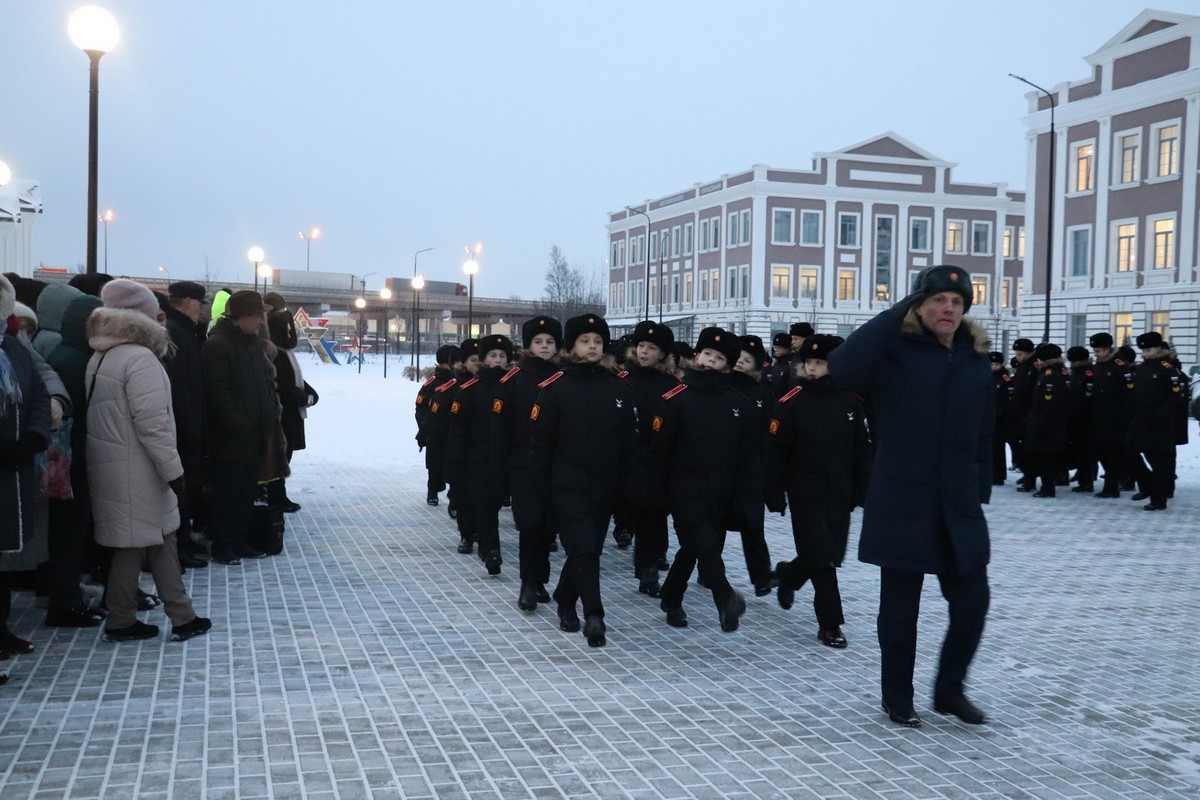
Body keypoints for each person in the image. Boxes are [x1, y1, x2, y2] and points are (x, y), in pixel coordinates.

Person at [828, 264, 992, 728]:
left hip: (957, 504)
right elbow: (842, 367)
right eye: (938, 299)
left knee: (973, 601)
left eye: (957, 302)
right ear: (919, 306)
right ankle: (897, 696)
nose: (949, 308)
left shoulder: (975, 359)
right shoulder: (893, 352)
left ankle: (949, 689)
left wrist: (979, 488)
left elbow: (985, 428)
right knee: (900, 612)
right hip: (902, 498)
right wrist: (898, 311)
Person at [85, 280, 210, 643]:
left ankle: (124, 618)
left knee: (134, 545)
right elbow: (154, 425)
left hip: (114, 466)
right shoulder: (141, 359)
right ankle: (180, 617)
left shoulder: (102, 354)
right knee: (160, 540)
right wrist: (175, 472)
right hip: (140, 470)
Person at [530, 314, 639, 647]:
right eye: (584, 341)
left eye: (597, 341)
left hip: (604, 485)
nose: (592, 347)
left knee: (588, 550)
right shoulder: (555, 387)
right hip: (567, 483)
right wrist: (539, 490)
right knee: (583, 548)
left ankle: (565, 598)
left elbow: (628, 443)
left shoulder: (619, 386)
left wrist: (629, 486)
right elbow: (540, 445)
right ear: (572, 346)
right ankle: (595, 614)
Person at [766, 334, 870, 648]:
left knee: (830, 555)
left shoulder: (851, 403)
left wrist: (861, 489)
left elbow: (862, 451)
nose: (813, 368)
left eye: (820, 363)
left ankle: (789, 575)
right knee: (823, 560)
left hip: (839, 492)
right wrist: (775, 492)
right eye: (809, 362)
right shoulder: (791, 402)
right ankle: (830, 624)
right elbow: (776, 453)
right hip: (805, 492)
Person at [652, 327, 756, 633]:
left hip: (721, 491)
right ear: (697, 356)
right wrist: (657, 494)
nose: (711, 361)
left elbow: (748, 456)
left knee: (696, 548)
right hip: (684, 489)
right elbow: (660, 452)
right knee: (706, 548)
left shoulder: (738, 403)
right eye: (707, 354)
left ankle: (671, 597)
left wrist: (748, 496)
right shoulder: (676, 398)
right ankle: (726, 600)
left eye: (719, 357)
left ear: (728, 364)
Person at [201, 291, 281, 565]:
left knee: (245, 493)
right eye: (257, 316)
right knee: (227, 494)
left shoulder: (251, 344)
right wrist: (240, 423)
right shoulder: (218, 345)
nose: (261, 321)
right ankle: (223, 545)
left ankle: (238, 540)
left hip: (253, 436)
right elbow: (218, 394)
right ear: (242, 317)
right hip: (231, 439)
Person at [0, 274, 52, 672]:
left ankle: (1, 629)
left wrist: (34, 435)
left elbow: (36, 392)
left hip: (14, 466)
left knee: (5, 553)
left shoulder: (13, 348)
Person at [617, 320, 678, 598]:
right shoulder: (622, 380)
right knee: (636, 511)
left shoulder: (671, 385)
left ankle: (648, 569)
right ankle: (645, 561)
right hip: (627, 457)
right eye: (641, 345)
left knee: (653, 515)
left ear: (662, 354)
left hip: (659, 458)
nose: (644, 352)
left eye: (651, 348)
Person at [504, 317, 561, 611]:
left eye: (549, 342)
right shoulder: (516, 379)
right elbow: (503, 428)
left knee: (548, 525)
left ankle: (540, 578)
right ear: (528, 346)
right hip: (523, 462)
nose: (544, 347)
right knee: (529, 524)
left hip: (556, 464)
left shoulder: (565, 377)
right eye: (538, 342)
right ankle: (527, 583)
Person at [446, 334, 514, 576]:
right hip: (478, 460)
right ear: (484, 360)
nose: (498, 360)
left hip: (506, 459)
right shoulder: (469, 390)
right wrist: (457, 462)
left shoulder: (513, 386)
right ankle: (491, 549)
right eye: (492, 356)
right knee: (485, 507)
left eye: (502, 356)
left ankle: (487, 545)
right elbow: (458, 429)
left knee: (494, 504)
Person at [164, 281, 211, 568]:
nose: (201, 310)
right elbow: (180, 388)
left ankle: (183, 539)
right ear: (185, 302)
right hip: (183, 428)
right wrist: (190, 427)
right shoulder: (176, 332)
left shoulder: (185, 331)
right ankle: (178, 545)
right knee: (180, 490)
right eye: (198, 303)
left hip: (190, 425)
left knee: (187, 489)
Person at [728, 334, 775, 597]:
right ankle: (708, 568)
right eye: (738, 358)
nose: (740, 364)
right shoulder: (722, 388)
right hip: (723, 468)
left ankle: (761, 576)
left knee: (753, 527)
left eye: (747, 360)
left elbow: (769, 436)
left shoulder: (762, 396)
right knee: (716, 524)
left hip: (751, 470)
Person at [265, 292, 318, 513]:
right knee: (280, 454)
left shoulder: (284, 350)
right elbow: (284, 384)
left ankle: (278, 494)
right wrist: (305, 397)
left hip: (289, 413)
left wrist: (309, 392)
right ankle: (276, 495)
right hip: (283, 413)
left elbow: (294, 378)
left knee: (285, 454)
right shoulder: (274, 350)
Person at [1126, 331, 1185, 511]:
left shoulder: (1167, 368)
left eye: (1149, 349)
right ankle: (1147, 485)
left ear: (1159, 348)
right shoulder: (1142, 368)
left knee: (1160, 462)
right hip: (1141, 420)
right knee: (1127, 452)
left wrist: (1160, 415)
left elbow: (1175, 397)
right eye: (1143, 350)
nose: (1146, 353)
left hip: (1160, 423)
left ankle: (1158, 499)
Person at [1088, 333, 1135, 498]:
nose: (1096, 354)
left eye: (1099, 350)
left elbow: (1129, 394)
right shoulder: (1100, 365)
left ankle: (1113, 486)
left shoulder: (1119, 365)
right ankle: (1112, 484)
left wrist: (1121, 416)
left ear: (1108, 349)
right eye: (1094, 350)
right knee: (1102, 453)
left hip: (1116, 419)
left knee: (1113, 454)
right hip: (1100, 417)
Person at [1021, 343, 1070, 498]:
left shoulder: (1050, 376)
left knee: (1045, 457)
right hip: (1044, 423)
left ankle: (1048, 488)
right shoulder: (1048, 373)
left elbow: (1050, 404)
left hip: (1048, 425)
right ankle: (1046, 486)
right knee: (1041, 456)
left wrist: (1039, 423)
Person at [415, 345, 458, 506]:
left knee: (454, 464)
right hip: (436, 431)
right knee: (434, 464)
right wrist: (426, 429)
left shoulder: (460, 382)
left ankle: (454, 494)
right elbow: (421, 409)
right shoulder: (431, 385)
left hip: (453, 432)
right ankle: (432, 490)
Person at [1065, 346, 1096, 493]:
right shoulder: (1076, 373)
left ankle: (1087, 481)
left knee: (1085, 452)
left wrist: (1076, 411)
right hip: (1074, 417)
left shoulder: (1087, 374)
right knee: (1080, 451)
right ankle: (1084, 479)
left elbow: (1087, 398)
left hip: (1085, 418)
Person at [1008, 338, 1037, 485]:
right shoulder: (1022, 366)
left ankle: (1030, 476)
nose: (1017, 358)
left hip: (1028, 412)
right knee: (1015, 441)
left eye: (1020, 354)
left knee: (1028, 447)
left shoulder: (1034, 367)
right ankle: (1026, 472)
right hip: (1018, 411)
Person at [989, 352, 1013, 486]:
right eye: (991, 364)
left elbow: (1008, 400)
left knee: (998, 447)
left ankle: (998, 475)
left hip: (1000, 417)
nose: (994, 367)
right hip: (990, 416)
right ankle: (994, 473)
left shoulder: (1005, 379)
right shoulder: (987, 377)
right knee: (991, 446)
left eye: (996, 364)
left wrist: (999, 414)